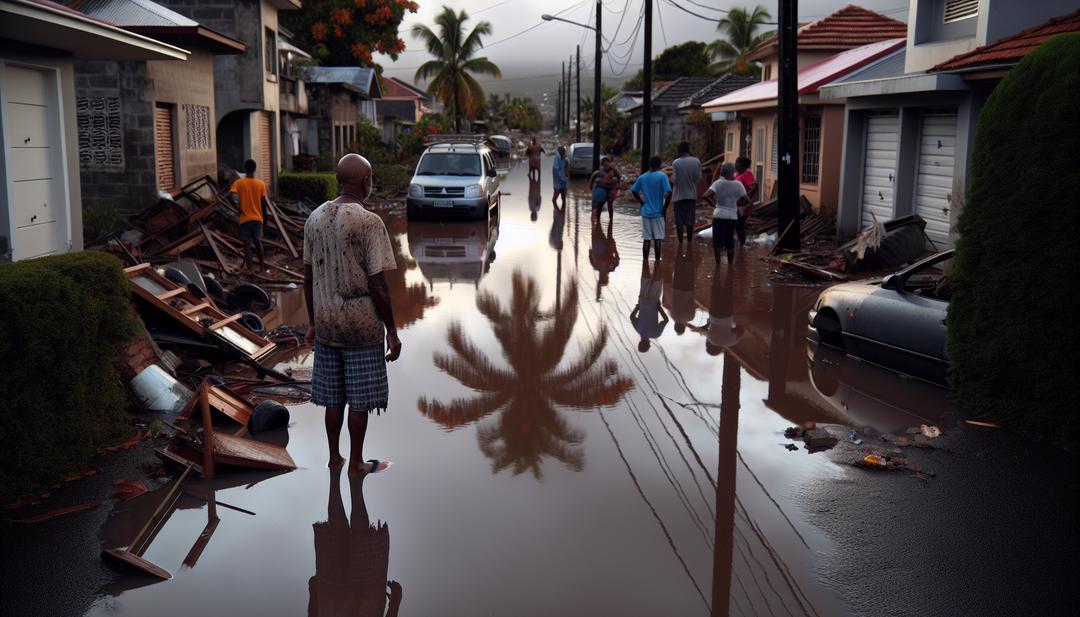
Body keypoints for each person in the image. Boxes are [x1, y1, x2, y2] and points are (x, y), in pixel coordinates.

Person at [304, 153, 401, 476]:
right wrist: (392, 330)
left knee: (334, 397)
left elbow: (308, 278)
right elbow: (378, 284)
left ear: (337, 180)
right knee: (358, 399)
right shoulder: (368, 222)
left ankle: (335, 458)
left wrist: (313, 323)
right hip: (361, 326)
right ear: (366, 181)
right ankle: (356, 463)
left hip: (328, 324)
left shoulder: (314, 219)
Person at [309, 468, 402, 617]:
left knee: (358, 538)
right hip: (339, 596)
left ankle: (351, 481)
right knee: (347, 536)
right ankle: (340, 476)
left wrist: (395, 604)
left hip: (354, 596)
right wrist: (313, 593)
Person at [702, 162, 751, 264]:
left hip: (719, 214)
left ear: (723, 172)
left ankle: (718, 266)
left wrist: (714, 204)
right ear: (733, 172)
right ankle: (730, 265)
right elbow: (749, 200)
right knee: (730, 241)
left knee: (717, 243)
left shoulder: (718, 183)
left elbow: (705, 195)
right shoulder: (738, 184)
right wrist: (740, 206)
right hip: (732, 216)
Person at [229, 159, 273, 272]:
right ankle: (262, 267)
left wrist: (237, 207)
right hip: (258, 219)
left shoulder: (239, 183)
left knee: (247, 246)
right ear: (255, 169)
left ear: (245, 168)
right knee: (258, 242)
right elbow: (263, 204)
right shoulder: (261, 184)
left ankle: (250, 269)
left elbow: (230, 196)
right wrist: (265, 219)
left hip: (244, 218)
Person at [630, 156, 672, 262]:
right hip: (658, 212)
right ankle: (657, 263)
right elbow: (669, 192)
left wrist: (641, 202)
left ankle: (645, 264)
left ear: (650, 164)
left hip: (646, 212)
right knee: (658, 238)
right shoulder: (663, 176)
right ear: (660, 165)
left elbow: (634, 190)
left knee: (646, 239)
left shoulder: (642, 177)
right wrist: (665, 208)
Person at [630, 260, 669, 352]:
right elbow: (632, 317)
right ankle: (647, 256)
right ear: (640, 342)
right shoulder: (638, 329)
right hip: (642, 300)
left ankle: (659, 259)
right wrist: (637, 308)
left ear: (648, 344)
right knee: (645, 274)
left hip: (654, 300)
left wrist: (659, 308)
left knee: (657, 277)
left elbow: (666, 320)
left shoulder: (656, 334)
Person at [671, 142, 702, 244]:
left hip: (678, 196)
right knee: (690, 221)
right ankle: (689, 242)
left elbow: (674, 180)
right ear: (688, 150)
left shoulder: (676, 163)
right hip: (692, 196)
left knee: (679, 222)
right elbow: (698, 178)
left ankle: (680, 243)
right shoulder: (696, 161)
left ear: (679, 151)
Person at [589, 219, 620, 301]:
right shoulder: (601, 267)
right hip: (600, 245)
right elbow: (590, 255)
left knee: (598, 226)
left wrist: (614, 247)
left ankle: (598, 214)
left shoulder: (610, 267)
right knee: (596, 227)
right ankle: (597, 214)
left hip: (603, 245)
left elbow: (617, 259)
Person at [733, 157, 759, 247]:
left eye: (737, 162)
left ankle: (742, 244)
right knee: (736, 224)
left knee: (739, 224)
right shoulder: (736, 174)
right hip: (735, 204)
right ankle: (739, 244)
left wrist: (745, 197)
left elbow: (755, 187)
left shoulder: (747, 174)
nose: (735, 164)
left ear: (742, 165)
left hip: (743, 206)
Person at [588, 157, 618, 222]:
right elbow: (591, 182)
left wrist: (602, 182)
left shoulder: (613, 172)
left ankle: (610, 221)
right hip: (601, 191)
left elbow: (616, 182)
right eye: (605, 165)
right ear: (602, 165)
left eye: (608, 165)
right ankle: (597, 221)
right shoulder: (598, 173)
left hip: (610, 191)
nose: (606, 167)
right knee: (599, 206)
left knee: (610, 205)